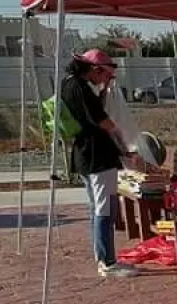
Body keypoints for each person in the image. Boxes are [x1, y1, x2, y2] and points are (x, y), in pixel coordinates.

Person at [59, 49, 138, 277]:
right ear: (96, 69)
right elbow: (102, 120)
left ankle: (103, 256)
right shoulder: (80, 88)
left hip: (85, 154)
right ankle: (107, 261)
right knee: (105, 208)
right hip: (97, 155)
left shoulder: (68, 84)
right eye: (106, 76)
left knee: (97, 208)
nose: (107, 80)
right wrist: (122, 139)